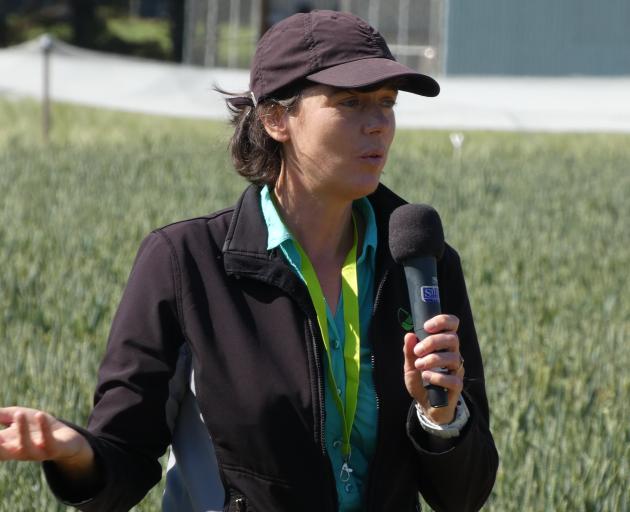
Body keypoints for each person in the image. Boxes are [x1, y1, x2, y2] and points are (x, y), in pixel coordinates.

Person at [0, 10, 498, 512]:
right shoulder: (185, 264)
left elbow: (464, 494)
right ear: (276, 119)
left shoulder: (419, 262)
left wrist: (441, 420)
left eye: (386, 103)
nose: (378, 125)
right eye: (350, 102)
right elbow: (124, 456)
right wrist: (75, 453)